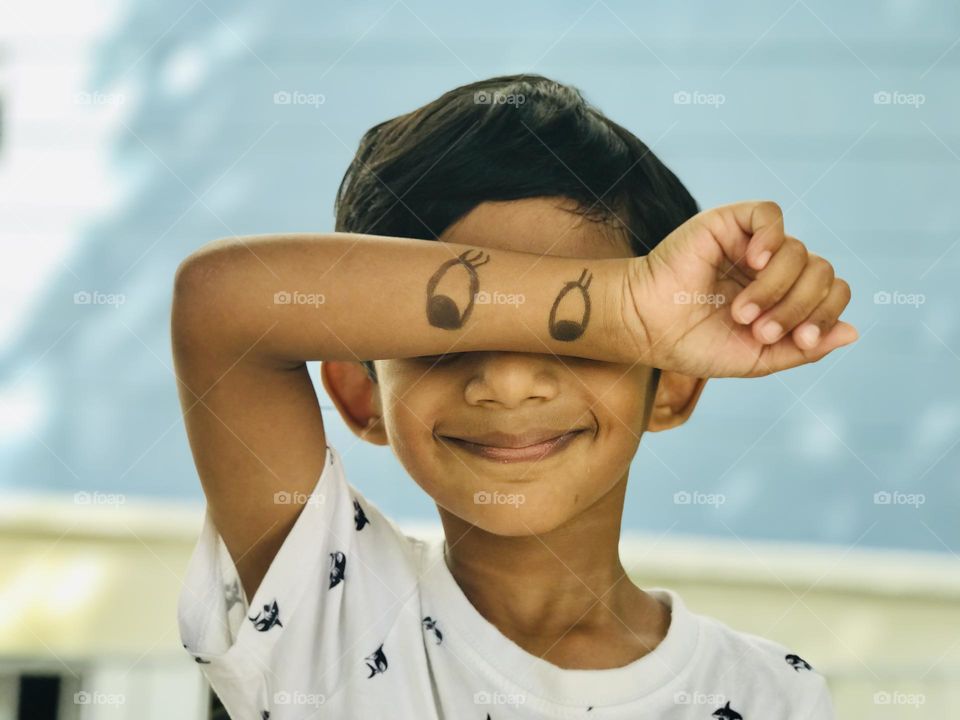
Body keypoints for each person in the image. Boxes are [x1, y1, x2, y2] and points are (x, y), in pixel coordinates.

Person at [172, 74, 854, 719]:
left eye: (574, 336)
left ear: (671, 383)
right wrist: (621, 310)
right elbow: (222, 304)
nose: (507, 381)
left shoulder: (772, 695)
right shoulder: (331, 613)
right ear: (361, 394)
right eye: (447, 330)